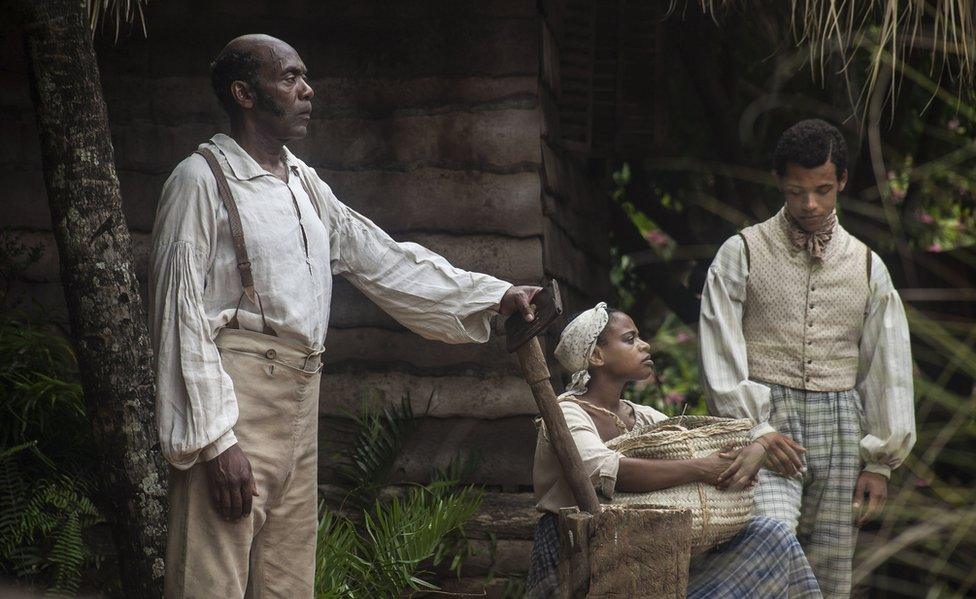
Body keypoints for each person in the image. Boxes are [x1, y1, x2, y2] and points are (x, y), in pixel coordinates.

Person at [149, 34, 540, 599]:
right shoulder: (200, 180)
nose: (308, 90)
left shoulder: (305, 185)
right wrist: (215, 441)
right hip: (236, 403)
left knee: (288, 583)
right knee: (211, 581)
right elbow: (180, 316)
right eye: (289, 77)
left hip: (301, 399)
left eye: (304, 77)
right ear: (244, 94)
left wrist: (493, 295)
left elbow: (385, 261)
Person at [698, 119, 916, 598]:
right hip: (768, 424)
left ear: (840, 181)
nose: (810, 204)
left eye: (822, 189)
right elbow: (719, 346)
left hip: (842, 426)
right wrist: (754, 427)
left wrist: (879, 463)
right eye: (797, 192)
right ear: (780, 182)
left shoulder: (866, 264)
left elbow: (888, 365)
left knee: (832, 570)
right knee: (768, 545)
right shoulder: (742, 252)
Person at [525, 303, 822, 598]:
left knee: (772, 534)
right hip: (578, 554)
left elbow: (703, 446)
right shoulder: (566, 412)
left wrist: (757, 447)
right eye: (630, 339)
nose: (645, 345)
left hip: (646, 554)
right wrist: (702, 468)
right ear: (596, 355)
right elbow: (605, 470)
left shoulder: (643, 416)